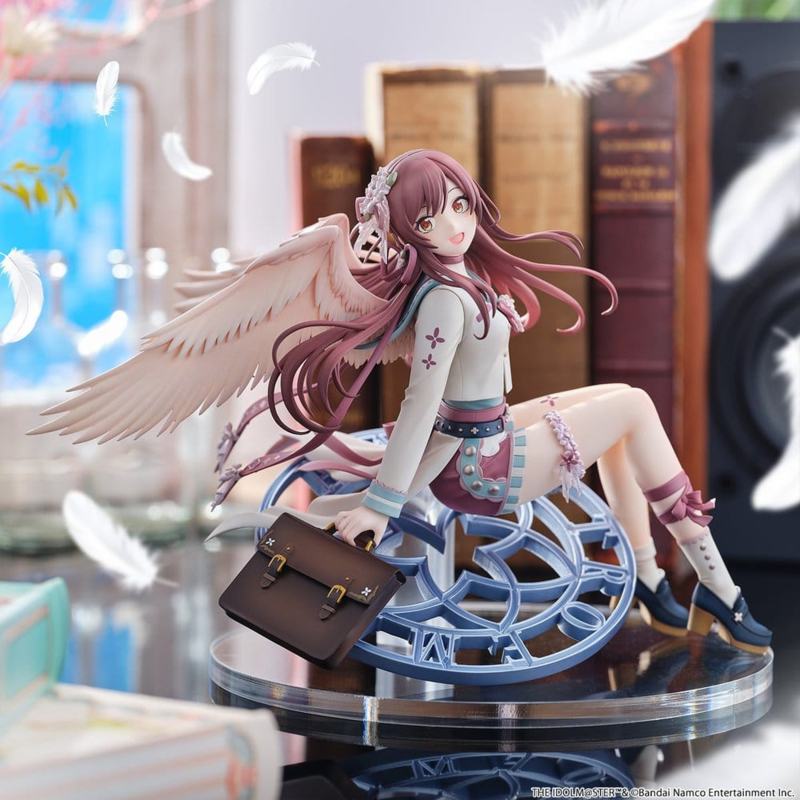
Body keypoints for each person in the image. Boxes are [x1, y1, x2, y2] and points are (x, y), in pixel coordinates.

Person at [32, 149, 771, 655]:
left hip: (481, 435)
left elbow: (460, 390)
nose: (455, 223)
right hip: (481, 467)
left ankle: (650, 578)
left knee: (619, 403)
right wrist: (383, 505)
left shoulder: (457, 281)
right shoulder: (444, 298)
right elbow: (423, 406)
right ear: (406, 231)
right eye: (431, 218)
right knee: (634, 405)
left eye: (459, 204)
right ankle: (717, 588)